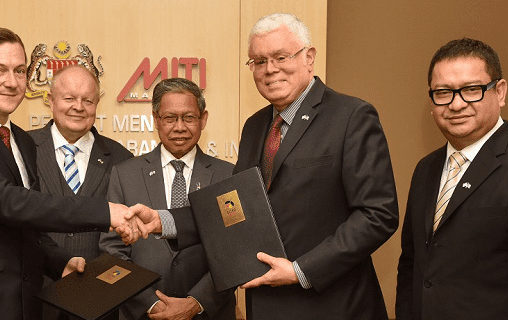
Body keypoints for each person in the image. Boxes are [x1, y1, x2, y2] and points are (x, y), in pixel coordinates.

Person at [125, 13, 399, 320]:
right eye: (258, 61)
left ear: (309, 57)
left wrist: (300, 270)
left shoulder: (351, 117)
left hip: (333, 305)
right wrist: (163, 221)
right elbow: (231, 208)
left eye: (281, 56)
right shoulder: (255, 127)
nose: (270, 69)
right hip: (265, 305)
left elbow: (378, 215)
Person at [0, 27, 134, 320]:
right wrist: (105, 212)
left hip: (25, 304)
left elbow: (27, 228)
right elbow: (10, 203)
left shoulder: (20, 140)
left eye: (20, 71)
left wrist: (60, 263)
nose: (12, 82)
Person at [395, 38, 508, 320]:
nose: (456, 105)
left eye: (471, 90)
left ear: (500, 92)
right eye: (443, 92)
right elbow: (412, 266)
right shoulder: (426, 169)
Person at [99, 78, 235, 320]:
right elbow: (112, 250)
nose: (180, 127)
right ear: (156, 120)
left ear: (203, 119)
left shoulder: (228, 175)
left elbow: (234, 253)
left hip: (207, 312)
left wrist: (196, 302)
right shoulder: (125, 174)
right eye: (170, 118)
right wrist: (151, 303)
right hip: (142, 313)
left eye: (189, 117)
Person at [28, 65, 133, 320]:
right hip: (36, 298)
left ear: (97, 104)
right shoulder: (24, 149)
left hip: (101, 302)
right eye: (69, 98)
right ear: (50, 101)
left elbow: (127, 238)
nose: (79, 106)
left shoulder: (122, 159)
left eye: (88, 100)